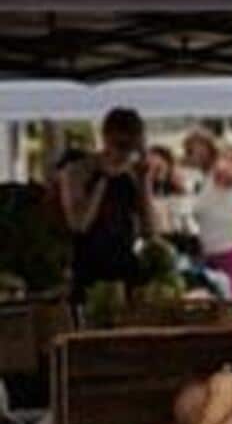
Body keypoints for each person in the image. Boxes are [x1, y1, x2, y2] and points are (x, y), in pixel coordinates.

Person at [57, 107, 158, 304]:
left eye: (132, 147)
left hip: (124, 267)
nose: (124, 154)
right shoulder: (78, 170)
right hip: (88, 267)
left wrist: (145, 182)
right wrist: (104, 179)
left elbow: (150, 230)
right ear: (106, 139)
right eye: (120, 145)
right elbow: (79, 224)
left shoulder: (133, 175)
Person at [191, 137, 232, 301]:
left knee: (230, 301)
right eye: (191, 151)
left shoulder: (219, 172)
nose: (193, 155)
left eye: (197, 151)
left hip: (227, 249)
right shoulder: (205, 179)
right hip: (211, 251)